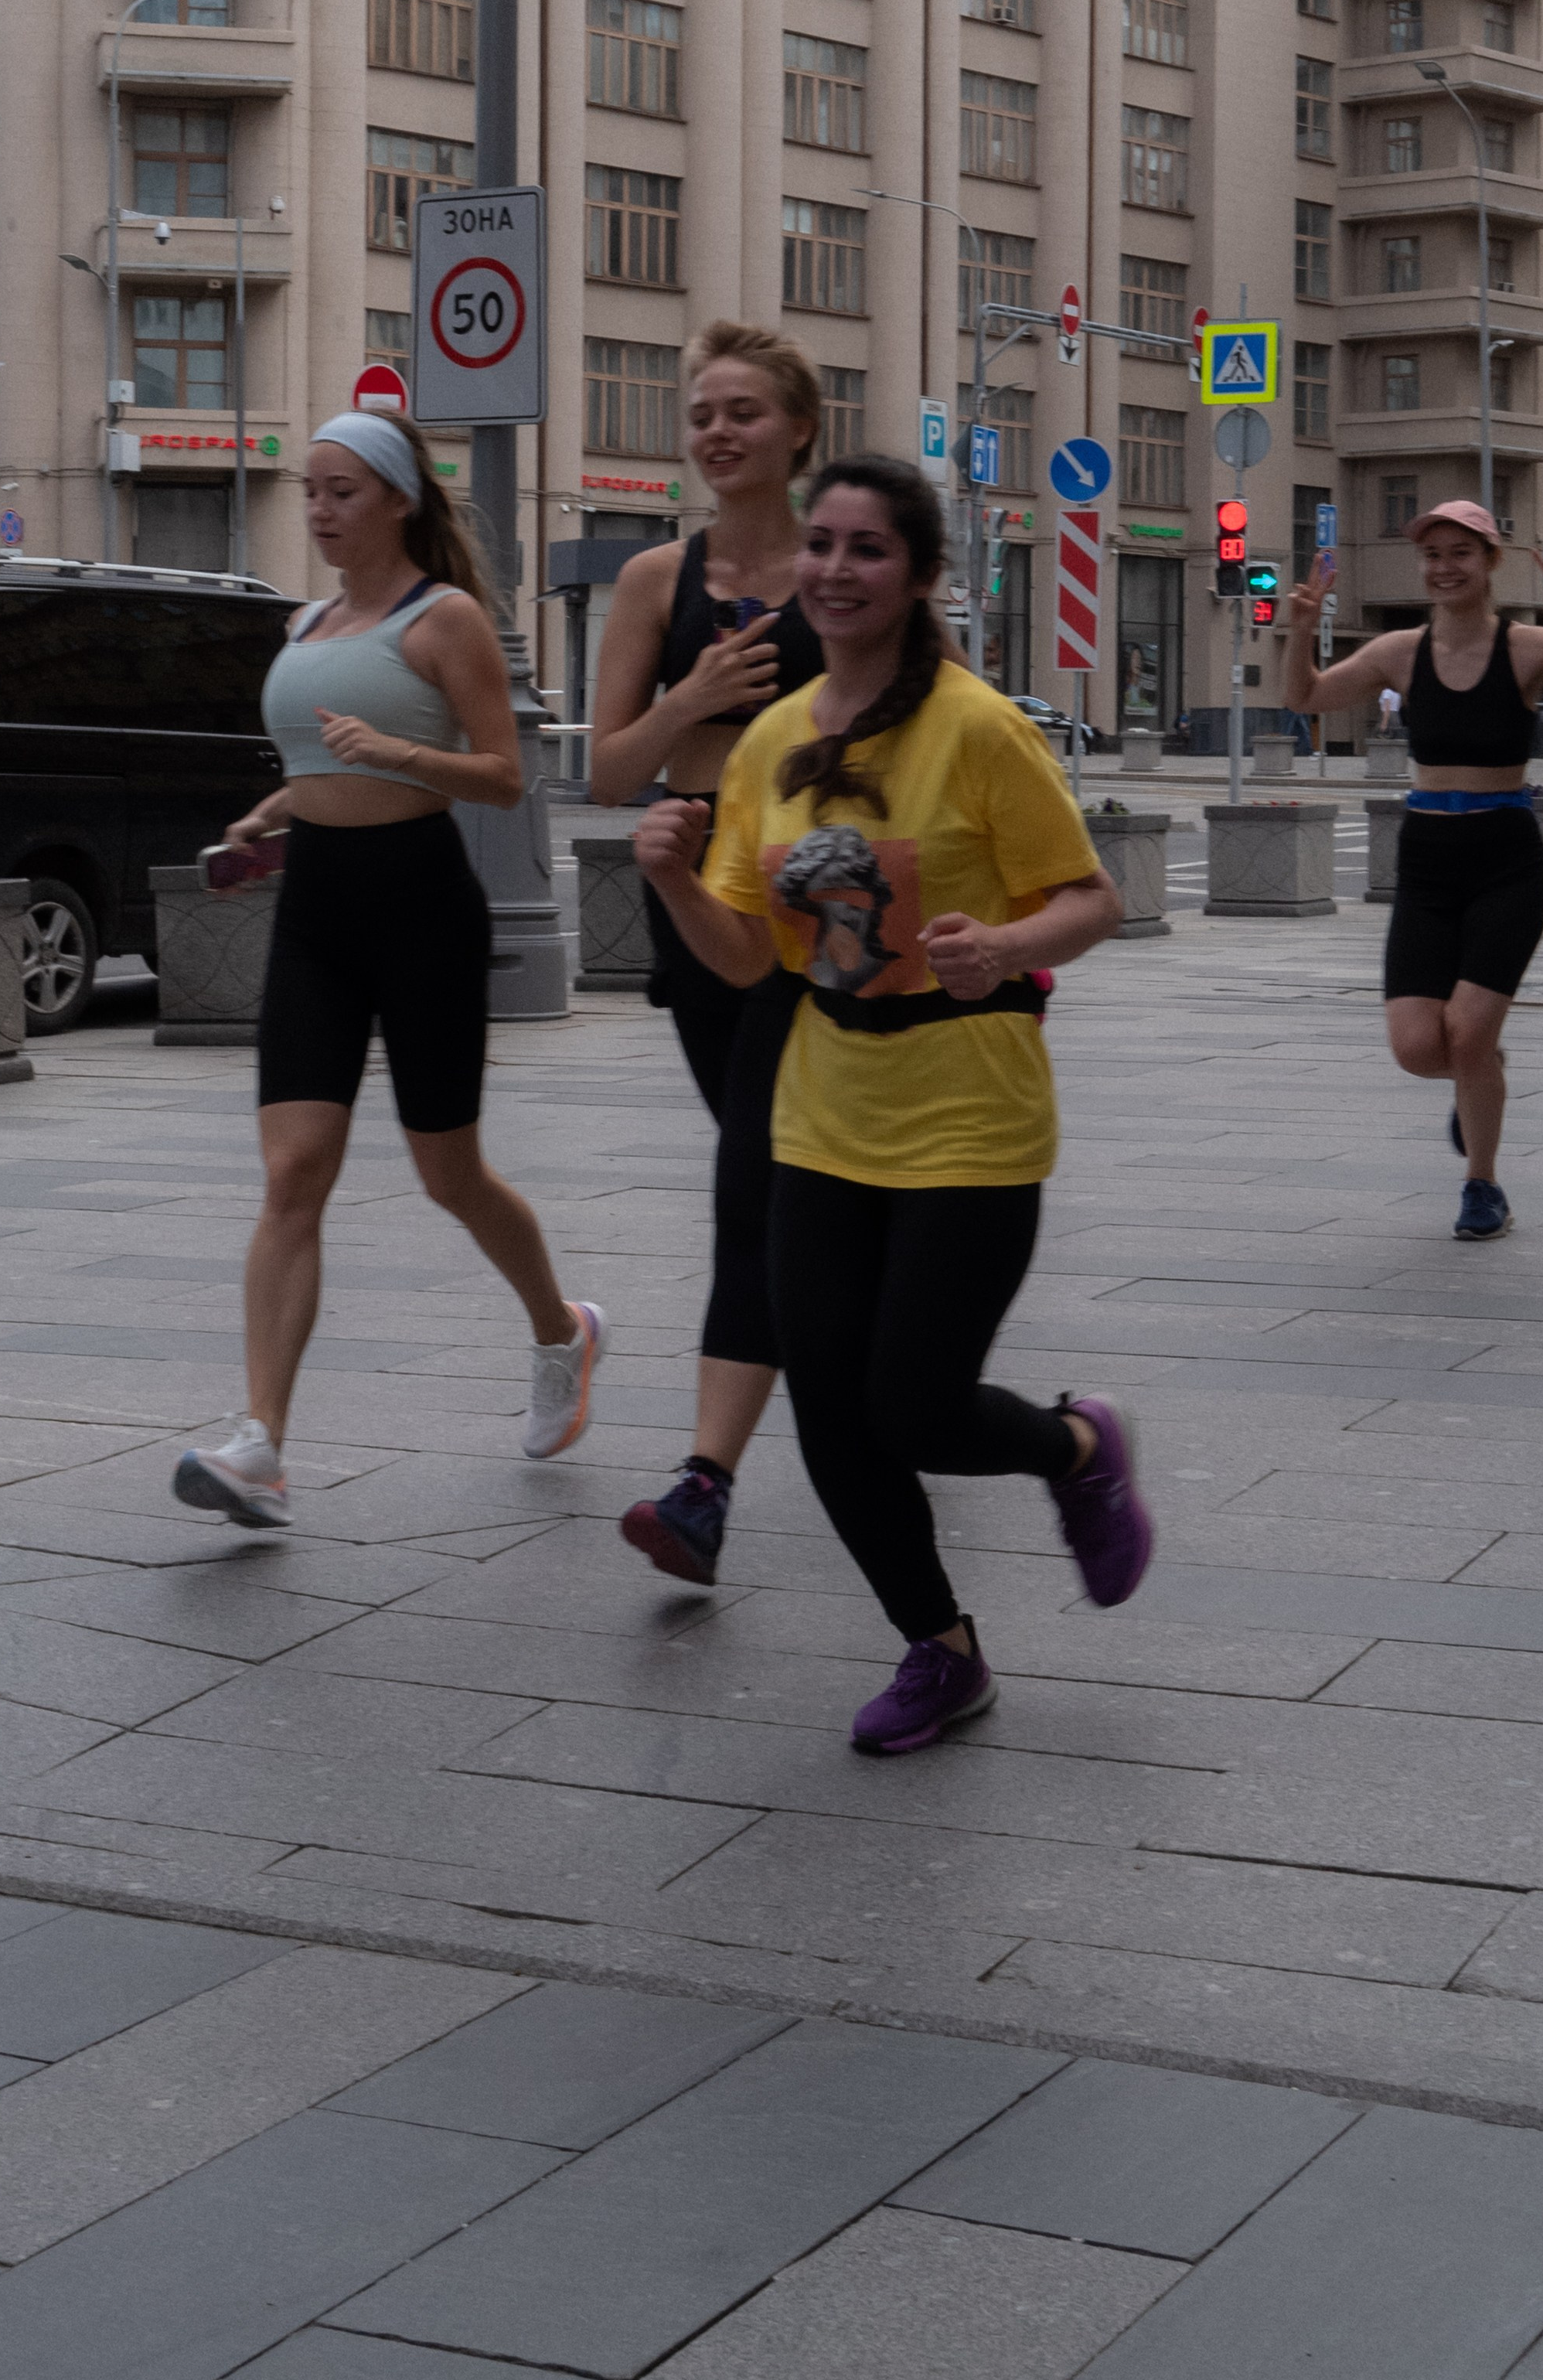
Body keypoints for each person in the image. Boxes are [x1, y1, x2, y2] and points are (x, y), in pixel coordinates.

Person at [635, 452, 1150, 1757]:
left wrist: (1011, 941)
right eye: (821, 545)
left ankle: (1079, 1450)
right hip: (822, 1109)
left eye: (867, 550)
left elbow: (1093, 899)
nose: (834, 570)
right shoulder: (772, 739)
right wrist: (680, 883)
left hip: (969, 1111)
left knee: (916, 1404)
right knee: (827, 1412)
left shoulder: (978, 728)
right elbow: (753, 958)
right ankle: (941, 1649)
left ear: (919, 577)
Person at [172, 409, 605, 1529]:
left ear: (400, 499)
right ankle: (260, 1442)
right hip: (315, 906)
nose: (318, 511)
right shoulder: (308, 620)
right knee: (292, 1173)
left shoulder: (444, 617)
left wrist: (397, 754)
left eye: (342, 492)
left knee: (448, 1174)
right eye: (309, 491)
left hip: (422, 908)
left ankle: (561, 1331)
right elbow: (316, 765)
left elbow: (505, 775)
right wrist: (266, 815)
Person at [588, 322, 826, 1587]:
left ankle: (704, 1485)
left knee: (758, 1183)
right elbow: (607, 768)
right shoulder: (651, 583)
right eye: (702, 415)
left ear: (798, 429)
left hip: (827, 919)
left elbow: (950, 709)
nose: (718, 431)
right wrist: (692, 697)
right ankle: (887, 1361)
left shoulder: (847, 568)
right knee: (783, 1184)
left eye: (743, 411)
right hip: (694, 908)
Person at [1285, 504, 1543, 1239]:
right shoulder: (1399, 652)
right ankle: (1477, 1068)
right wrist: (1299, 633)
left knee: (1467, 1035)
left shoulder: (1531, 648)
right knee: (1419, 1048)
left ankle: (1481, 1184)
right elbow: (1305, 698)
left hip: (1505, 860)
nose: (1445, 566)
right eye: (1432, 554)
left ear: (1490, 561)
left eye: (1462, 552)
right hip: (1426, 861)